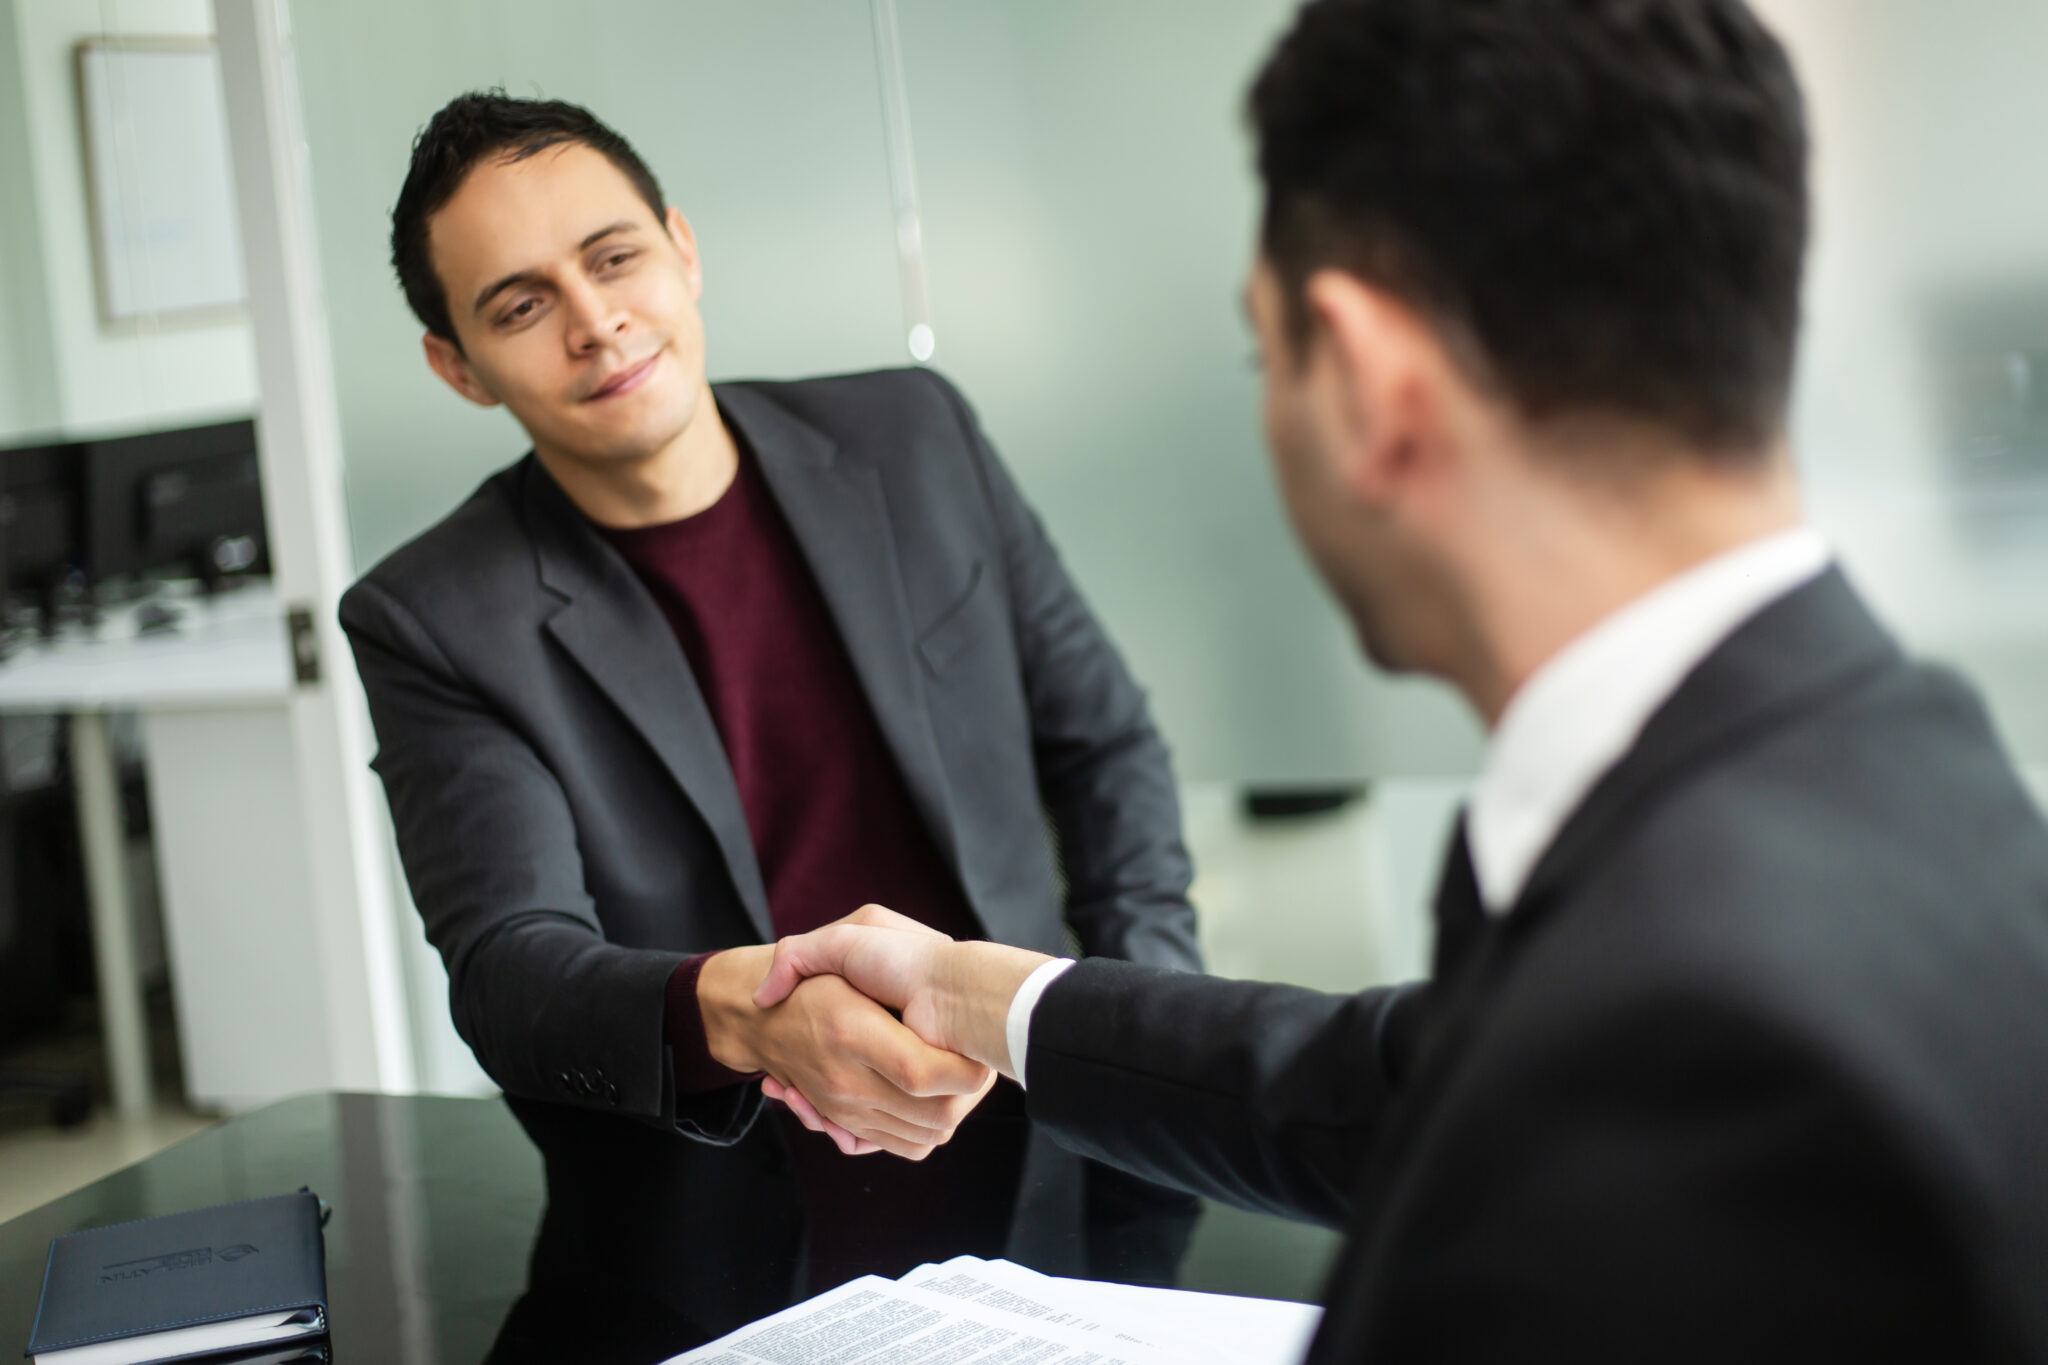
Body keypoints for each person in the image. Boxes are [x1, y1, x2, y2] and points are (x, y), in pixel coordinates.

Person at [750, 0, 2048, 1358]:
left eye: (1267, 354)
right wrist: (982, 992)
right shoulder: (1893, 776)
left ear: (1371, 384)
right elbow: (1397, 1088)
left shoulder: (1703, 1042)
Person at [337, 93, 1203, 1348]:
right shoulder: (433, 617)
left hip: (1050, 1195)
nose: (596, 324)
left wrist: (1135, 1044)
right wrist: (749, 1015)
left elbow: (1103, 746)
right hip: (714, 1262)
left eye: (614, 256)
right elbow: (513, 972)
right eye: (519, 305)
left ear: (682, 248)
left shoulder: (914, 436)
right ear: (457, 367)